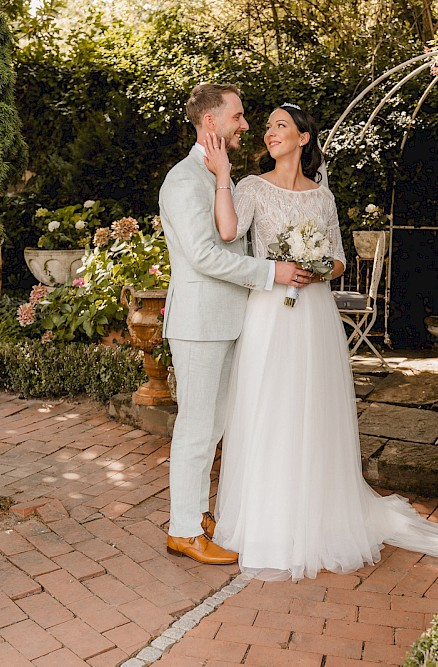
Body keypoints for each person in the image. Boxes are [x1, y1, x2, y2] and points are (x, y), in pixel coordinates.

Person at [202, 103, 438, 580]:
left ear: (304, 138)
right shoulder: (250, 187)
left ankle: (315, 515)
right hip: (269, 313)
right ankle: (266, 519)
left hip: (312, 315)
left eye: (280, 125)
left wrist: (314, 268)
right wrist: (221, 177)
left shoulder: (322, 198)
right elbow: (228, 231)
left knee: (312, 409)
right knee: (267, 407)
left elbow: (336, 260)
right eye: (268, 126)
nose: (270, 133)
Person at [158, 85, 314, 565]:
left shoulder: (219, 176)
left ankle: (195, 513)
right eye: (239, 117)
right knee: (196, 427)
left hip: (232, 320)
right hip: (200, 323)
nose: (246, 126)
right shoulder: (184, 181)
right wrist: (272, 273)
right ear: (211, 124)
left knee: (214, 426)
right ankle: (183, 530)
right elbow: (205, 256)